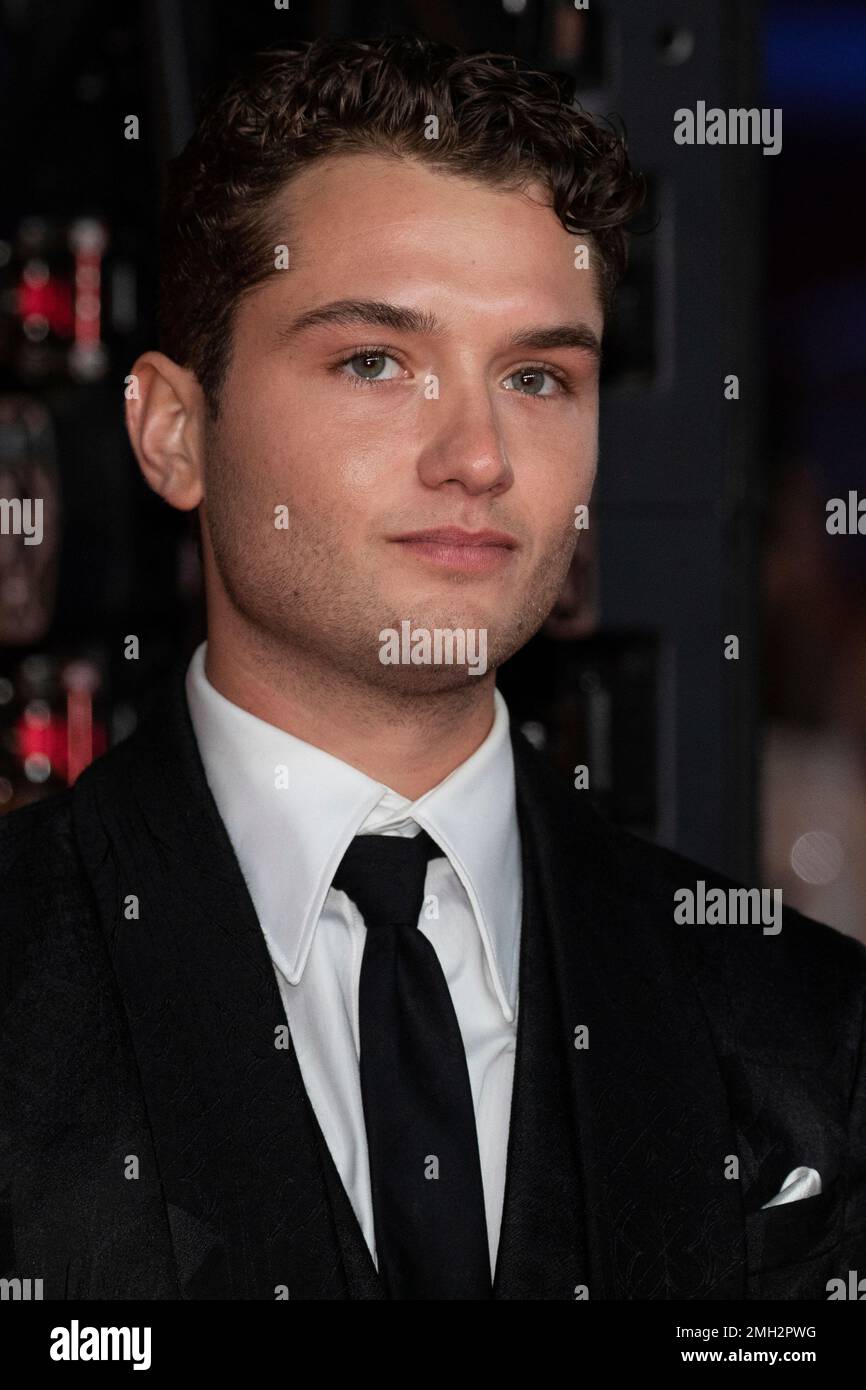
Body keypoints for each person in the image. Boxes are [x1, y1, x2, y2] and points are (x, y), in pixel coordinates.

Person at [2, 33, 864, 1302]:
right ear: (176, 431)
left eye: (534, 374)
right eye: (374, 361)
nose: (477, 454)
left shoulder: (806, 1030)